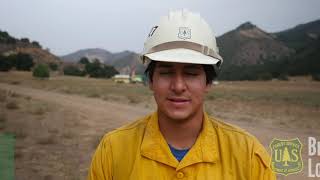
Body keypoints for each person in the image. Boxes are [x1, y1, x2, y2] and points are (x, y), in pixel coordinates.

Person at [88, 9, 276, 180]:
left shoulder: (249, 155)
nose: (178, 86)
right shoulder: (112, 150)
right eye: (166, 72)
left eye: (191, 73)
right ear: (151, 81)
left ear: (208, 82)